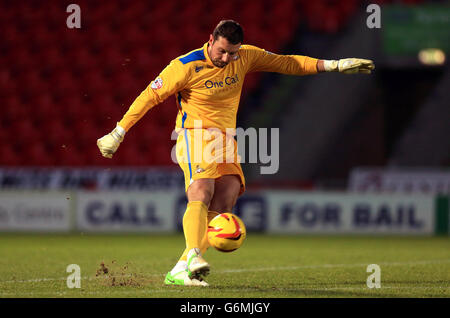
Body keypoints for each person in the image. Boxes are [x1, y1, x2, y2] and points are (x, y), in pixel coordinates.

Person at [97, 20, 374, 287]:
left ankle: (181, 267)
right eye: (222, 51)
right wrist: (118, 132)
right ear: (210, 41)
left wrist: (334, 65)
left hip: (226, 140)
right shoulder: (184, 66)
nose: (228, 58)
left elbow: (286, 62)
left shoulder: (245, 56)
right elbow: (149, 96)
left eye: (233, 52)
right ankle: (193, 254)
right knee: (201, 190)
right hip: (194, 135)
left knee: (226, 202)